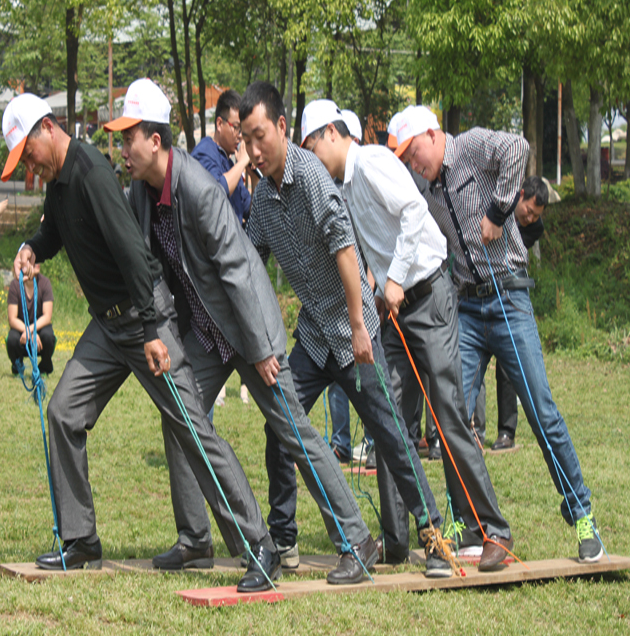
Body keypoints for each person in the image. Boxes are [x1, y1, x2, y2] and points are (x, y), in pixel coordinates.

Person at [2, 91, 281, 592]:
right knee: (64, 412)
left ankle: (259, 544)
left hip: (142, 316)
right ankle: (80, 538)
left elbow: (135, 254)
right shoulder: (61, 183)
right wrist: (30, 247)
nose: (30, 166)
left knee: (192, 430)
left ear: (47, 129)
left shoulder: (88, 172)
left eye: (29, 154)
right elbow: (58, 234)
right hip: (107, 327)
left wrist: (153, 329)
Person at [105, 78, 376, 586]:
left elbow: (238, 268)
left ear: (156, 141)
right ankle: (200, 540)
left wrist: (262, 348)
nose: (122, 150)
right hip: (208, 336)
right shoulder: (141, 195)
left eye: (128, 138)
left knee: (293, 431)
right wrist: (158, 331)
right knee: (181, 417)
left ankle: (355, 540)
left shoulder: (199, 189)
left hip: (248, 332)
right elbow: (153, 272)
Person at [240, 81, 453, 577]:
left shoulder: (311, 174)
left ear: (281, 128)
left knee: (392, 435)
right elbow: (250, 260)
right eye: (245, 141)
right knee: (281, 426)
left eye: (260, 137)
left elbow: (344, 249)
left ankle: (435, 538)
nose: (254, 150)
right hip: (314, 337)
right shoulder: (264, 199)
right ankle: (283, 540)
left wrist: (361, 327)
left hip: (353, 333)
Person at [301, 98, 512, 571]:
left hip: (428, 296)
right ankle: (397, 538)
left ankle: (490, 529)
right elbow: (373, 242)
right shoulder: (342, 185)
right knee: (387, 420)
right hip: (393, 310)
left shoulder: (372, 163)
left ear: (332, 134)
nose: (310, 156)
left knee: (447, 414)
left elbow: (415, 214)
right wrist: (380, 288)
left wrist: (392, 279)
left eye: (311, 145)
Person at [396, 105, 603, 563]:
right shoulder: (424, 185)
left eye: (415, 153)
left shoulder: (469, 146)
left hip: (508, 297)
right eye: (407, 160)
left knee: (540, 410)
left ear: (432, 134)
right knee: (450, 418)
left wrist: (496, 210)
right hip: (464, 308)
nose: (414, 164)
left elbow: (519, 148)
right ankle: (464, 522)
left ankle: (582, 514)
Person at [472, 175, 547, 451]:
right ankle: (472, 430)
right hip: (477, 294)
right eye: (528, 211)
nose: (530, 219)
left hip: (509, 296)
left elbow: (507, 246)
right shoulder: (494, 202)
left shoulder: (534, 228)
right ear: (520, 194)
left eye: (535, 215)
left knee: (507, 368)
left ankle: (507, 431)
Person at [191, 89, 255, 409]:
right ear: (219, 124)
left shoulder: (229, 161)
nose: (240, 136)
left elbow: (247, 209)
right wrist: (242, 161)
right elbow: (214, 196)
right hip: (209, 274)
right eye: (236, 128)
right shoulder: (205, 153)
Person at [6, 262, 56, 375]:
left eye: (38, 260)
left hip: (39, 328)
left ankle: (45, 367)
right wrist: (27, 332)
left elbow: (47, 316)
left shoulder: (45, 283)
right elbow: (12, 319)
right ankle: (17, 366)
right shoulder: (15, 285)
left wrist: (32, 331)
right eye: (32, 261)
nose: (37, 263)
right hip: (21, 329)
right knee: (12, 339)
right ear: (22, 264)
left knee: (48, 336)